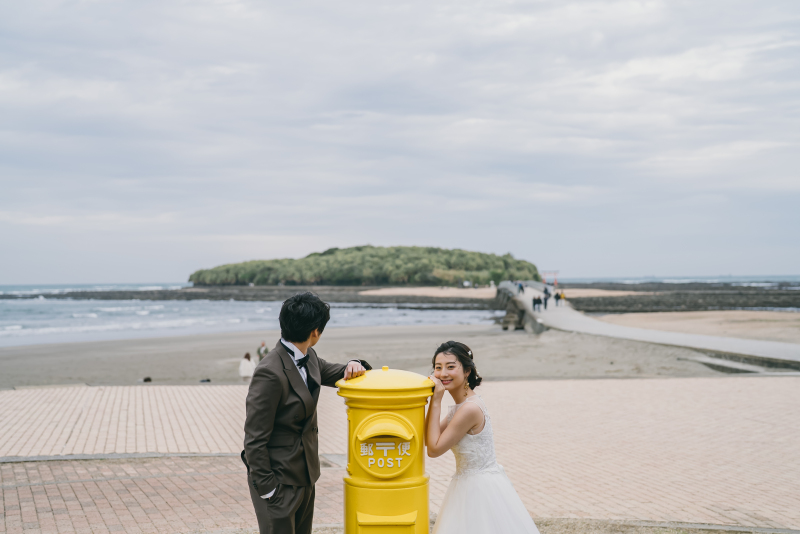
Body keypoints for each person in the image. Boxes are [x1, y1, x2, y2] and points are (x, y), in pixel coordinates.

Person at [242, 292, 371, 534]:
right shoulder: (269, 372)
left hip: (305, 474)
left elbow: (337, 372)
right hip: (278, 481)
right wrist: (268, 489)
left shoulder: (309, 356)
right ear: (315, 332)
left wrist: (355, 363)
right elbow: (254, 438)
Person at [426, 341, 540, 534]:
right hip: (468, 483)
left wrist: (435, 400)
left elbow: (434, 449)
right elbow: (429, 434)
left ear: (467, 371)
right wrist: (426, 399)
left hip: (479, 488)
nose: (442, 373)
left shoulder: (469, 409)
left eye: (450, 367)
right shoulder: (462, 406)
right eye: (438, 368)